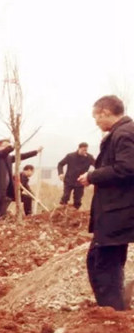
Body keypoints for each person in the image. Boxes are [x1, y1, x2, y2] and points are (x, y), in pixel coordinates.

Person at [77, 95, 134, 311]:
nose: (96, 123)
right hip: (117, 210)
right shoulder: (123, 133)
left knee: (103, 263)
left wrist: (94, 176)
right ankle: (114, 307)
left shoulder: (124, 134)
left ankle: (111, 312)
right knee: (102, 260)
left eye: (96, 117)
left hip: (117, 212)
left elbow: (127, 168)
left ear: (106, 112)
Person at [0, 140, 42, 221]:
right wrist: (12, 147)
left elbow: (21, 156)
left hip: (6, 191)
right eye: (6, 146)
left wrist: (36, 152)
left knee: (0, 213)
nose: (8, 148)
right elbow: (2, 153)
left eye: (8, 146)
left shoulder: (8, 158)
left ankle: (28, 216)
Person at [58, 143, 95, 209]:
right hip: (69, 180)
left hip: (80, 181)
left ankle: (75, 211)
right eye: (83, 150)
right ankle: (62, 209)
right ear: (79, 148)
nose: (85, 152)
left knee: (78, 199)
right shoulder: (70, 156)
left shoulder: (89, 157)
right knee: (65, 196)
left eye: (86, 150)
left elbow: (97, 165)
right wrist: (60, 173)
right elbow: (60, 164)